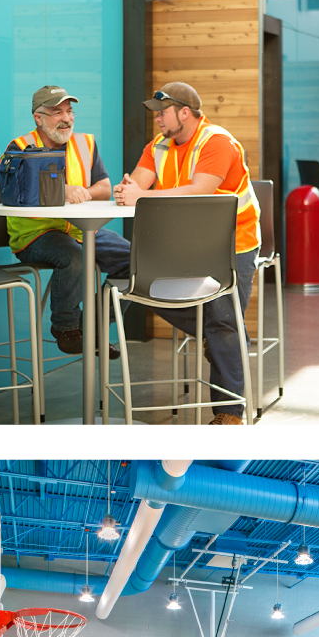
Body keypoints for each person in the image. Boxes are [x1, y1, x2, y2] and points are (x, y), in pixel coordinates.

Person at [114, 81, 261, 425]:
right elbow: (136, 186)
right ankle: (217, 333)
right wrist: (127, 191)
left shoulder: (217, 142)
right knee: (141, 286)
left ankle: (229, 415)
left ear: (184, 113)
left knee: (223, 321)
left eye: (162, 113)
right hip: (181, 244)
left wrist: (139, 196)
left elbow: (200, 191)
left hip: (231, 243)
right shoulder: (158, 147)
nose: (157, 120)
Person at [5, 85, 131, 359]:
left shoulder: (86, 143)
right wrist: (62, 191)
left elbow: (104, 187)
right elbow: (15, 193)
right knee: (76, 258)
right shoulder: (20, 147)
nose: (67, 118)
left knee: (135, 259)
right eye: (57, 112)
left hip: (79, 229)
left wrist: (83, 191)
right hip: (36, 234)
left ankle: (93, 326)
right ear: (38, 118)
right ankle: (66, 330)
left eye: (69, 111)